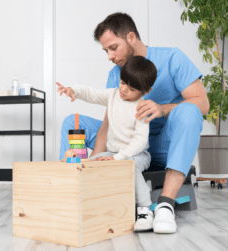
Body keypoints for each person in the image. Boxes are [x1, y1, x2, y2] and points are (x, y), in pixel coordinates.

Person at [58, 12, 209, 234]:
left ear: (130, 37)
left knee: (190, 111)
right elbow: (108, 124)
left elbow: (203, 104)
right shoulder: (115, 74)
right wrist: (90, 167)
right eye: (105, 50)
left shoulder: (172, 58)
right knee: (72, 121)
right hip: (126, 142)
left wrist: (162, 109)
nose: (109, 56)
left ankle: (165, 204)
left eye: (113, 47)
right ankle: (74, 190)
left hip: (161, 145)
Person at [57, 56, 157, 232]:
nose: (124, 89)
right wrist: (74, 91)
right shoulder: (113, 95)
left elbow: (139, 142)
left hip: (136, 155)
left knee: (129, 167)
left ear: (145, 91)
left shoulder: (142, 108)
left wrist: (119, 158)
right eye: (122, 82)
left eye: (131, 88)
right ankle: (88, 203)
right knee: (92, 163)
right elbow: (92, 94)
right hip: (112, 152)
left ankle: (145, 210)